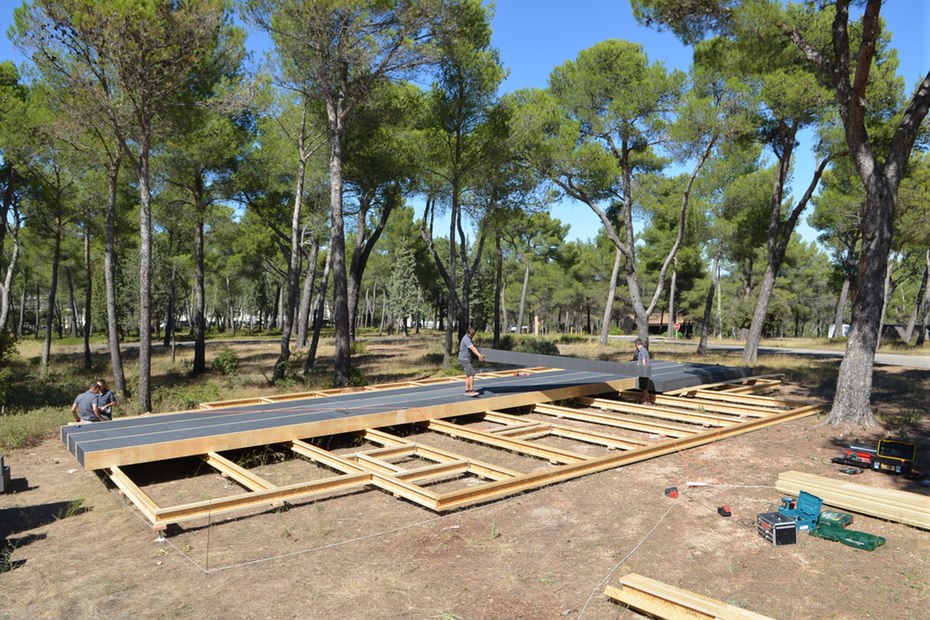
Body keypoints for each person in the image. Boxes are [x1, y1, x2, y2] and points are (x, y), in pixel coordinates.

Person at [458, 326, 486, 396]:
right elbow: (472, 348)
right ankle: (472, 390)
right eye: (471, 335)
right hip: (464, 359)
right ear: (468, 333)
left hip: (465, 358)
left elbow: (472, 347)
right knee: (472, 373)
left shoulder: (468, 338)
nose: (472, 336)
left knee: (468, 374)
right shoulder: (466, 339)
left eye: (473, 335)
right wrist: (479, 355)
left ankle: (467, 390)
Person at [634, 338, 654, 405]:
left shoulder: (642, 350)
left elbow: (644, 359)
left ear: (637, 345)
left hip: (644, 371)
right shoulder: (643, 350)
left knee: (644, 387)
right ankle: (647, 400)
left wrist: (643, 369)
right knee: (645, 387)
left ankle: (645, 401)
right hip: (645, 371)